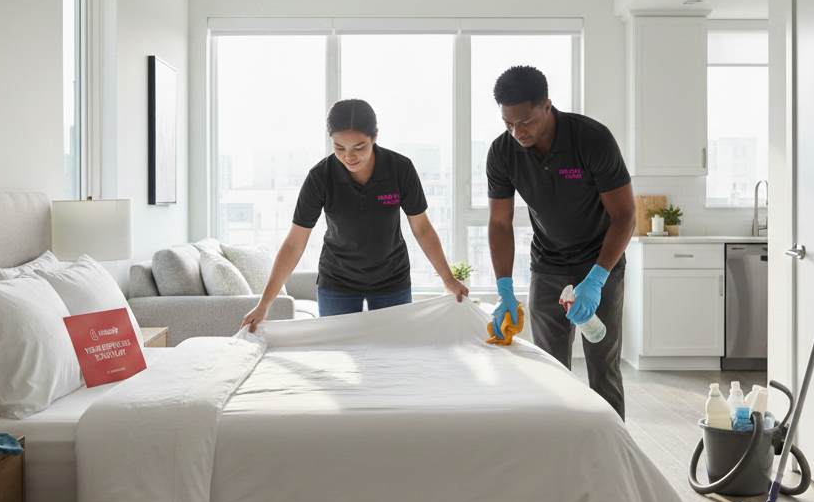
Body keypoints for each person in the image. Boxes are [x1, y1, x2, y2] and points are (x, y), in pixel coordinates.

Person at [486, 66, 635, 418]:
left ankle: (612, 455)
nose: (517, 132)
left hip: (601, 262)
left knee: (603, 365)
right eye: (508, 123)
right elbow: (499, 223)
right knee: (548, 368)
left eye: (525, 122)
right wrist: (504, 287)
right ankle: (557, 450)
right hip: (548, 263)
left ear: (547, 106)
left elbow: (625, 215)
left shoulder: (591, 139)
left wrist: (597, 279)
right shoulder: (502, 152)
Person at [241, 99, 468, 331]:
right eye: (339, 148)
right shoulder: (320, 177)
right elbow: (294, 244)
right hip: (337, 282)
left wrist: (448, 279)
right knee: (339, 357)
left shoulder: (400, 169)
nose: (349, 157)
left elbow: (422, 228)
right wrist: (265, 304)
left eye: (358, 148)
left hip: (392, 280)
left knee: (394, 354)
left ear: (375, 136)